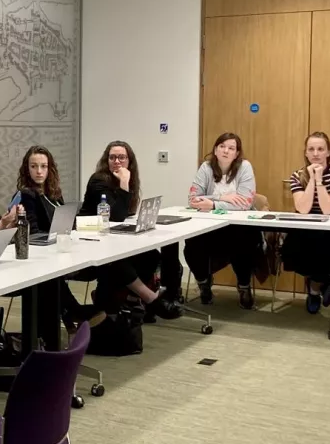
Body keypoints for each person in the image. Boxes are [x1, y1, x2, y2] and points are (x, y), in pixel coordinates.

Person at [78, 140, 181, 319]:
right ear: (106, 160)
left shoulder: (129, 179)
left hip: (110, 233)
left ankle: (131, 299)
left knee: (151, 256)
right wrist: (124, 183)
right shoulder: (98, 180)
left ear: (129, 160)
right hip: (88, 233)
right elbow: (116, 215)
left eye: (122, 157)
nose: (117, 161)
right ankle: (151, 299)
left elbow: (125, 213)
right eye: (112, 157)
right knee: (119, 260)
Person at [184, 132, 259, 309]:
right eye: (222, 147)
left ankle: (244, 287)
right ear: (215, 150)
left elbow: (245, 203)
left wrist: (212, 203)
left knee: (244, 243)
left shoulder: (245, 167)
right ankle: (203, 284)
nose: (226, 151)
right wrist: (225, 198)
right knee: (191, 244)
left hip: (239, 228)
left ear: (237, 153)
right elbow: (193, 199)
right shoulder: (206, 168)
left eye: (231, 148)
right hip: (209, 227)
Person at [280, 131, 330, 314]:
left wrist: (320, 181)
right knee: (292, 246)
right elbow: (303, 209)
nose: (316, 154)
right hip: (306, 228)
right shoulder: (297, 175)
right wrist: (311, 179)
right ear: (305, 153)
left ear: (328, 152)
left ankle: (314, 289)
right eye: (311, 149)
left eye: (321, 149)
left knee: (321, 243)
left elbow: (329, 209)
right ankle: (326, 281)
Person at [16, 144, 85, 328]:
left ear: (49, 168)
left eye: (43, 166)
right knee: (51, 279)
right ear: (26, 168)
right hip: (39, 255)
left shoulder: (53, 192)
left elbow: (64, 221)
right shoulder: (26, 194)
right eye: (34, 166)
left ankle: (69, 314)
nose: (39, 171)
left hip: (56, 248)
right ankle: (71, 311)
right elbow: (33, 233)